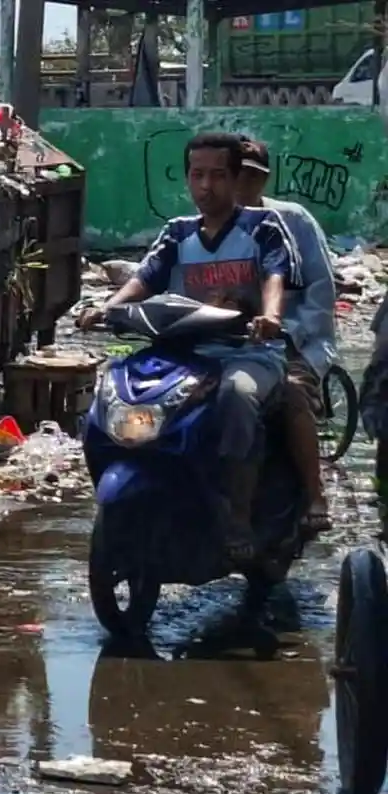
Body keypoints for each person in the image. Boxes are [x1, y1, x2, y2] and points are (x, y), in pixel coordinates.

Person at [78, 132, 303, 557]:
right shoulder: (178, 233)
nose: (206, 186)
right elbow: (145, 278)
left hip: (247, 352)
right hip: (184, 355)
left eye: (218, 176)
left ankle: (237, 513)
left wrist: (270, 317)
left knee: (237, 396)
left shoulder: (263, 227)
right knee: (119, 385)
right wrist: (107, 308)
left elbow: (275, 276)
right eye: (197, 175)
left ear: (236, 179)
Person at [234, 137, 337, 533]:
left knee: (291, 391)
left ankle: (314, 491)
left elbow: (321, 292)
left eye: (253, 177)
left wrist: (289, 332)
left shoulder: (293, 221)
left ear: (265, 180)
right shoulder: (206, 225)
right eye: (236, 175)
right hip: (227, 344)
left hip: (296, 341)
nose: (244, 186)